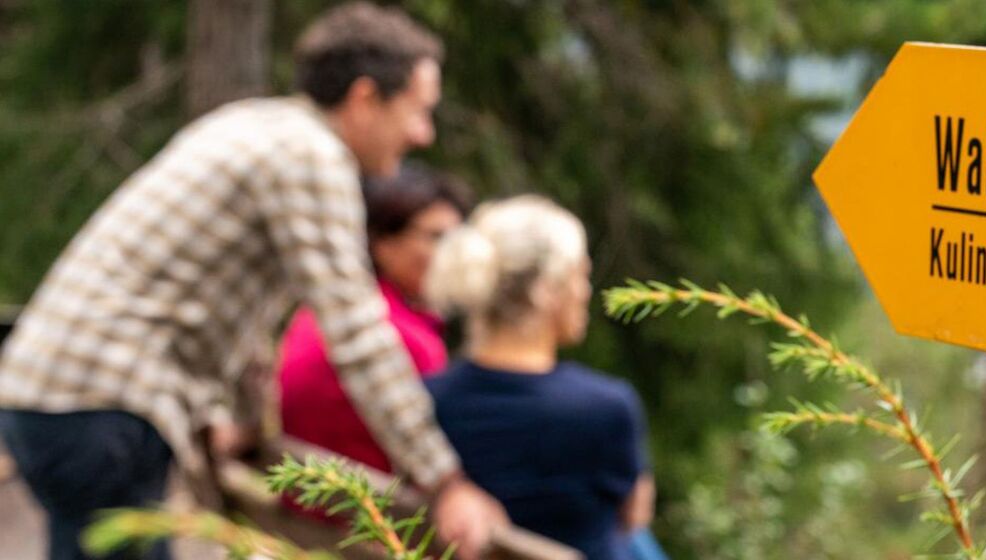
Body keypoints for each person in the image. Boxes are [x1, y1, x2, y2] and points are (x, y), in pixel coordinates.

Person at [0, 3, 504, 559]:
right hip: (101, 410)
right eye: (417, 110)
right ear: (365, 98)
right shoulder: (311, 158)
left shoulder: (257, 126)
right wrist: (445, 481)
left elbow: (228, 303)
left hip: (50, 396)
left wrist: (239, 419)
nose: (423, 134)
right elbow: (357, 334)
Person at [424, 196, 656, 560]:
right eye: (581, 275)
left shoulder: (428, 399)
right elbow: (635, 515)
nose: (586, 292)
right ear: (548, 290)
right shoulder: (607, 407)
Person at [280, 162, 470, 475]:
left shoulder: (326, 310)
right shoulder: (404, 338)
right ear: (383, 242)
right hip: (364, 517)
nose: (452, 254)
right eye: (436, 237)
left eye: (456, 239)